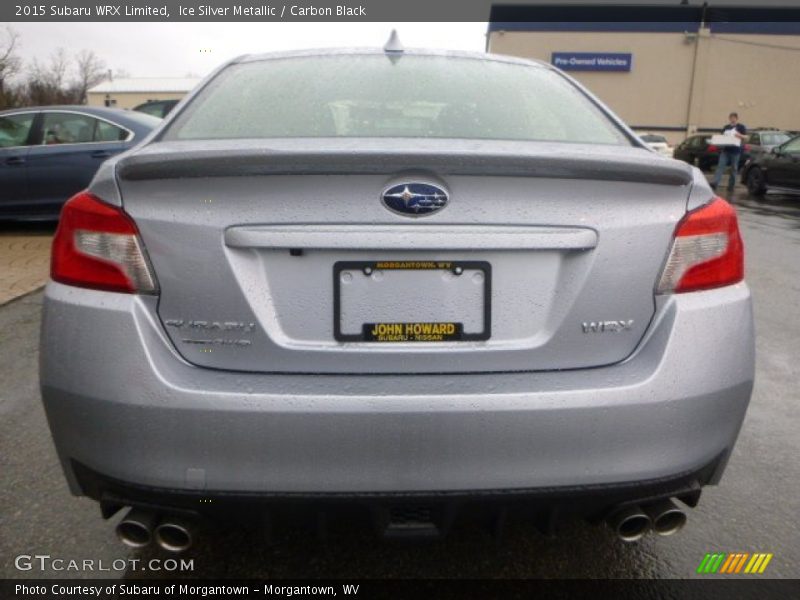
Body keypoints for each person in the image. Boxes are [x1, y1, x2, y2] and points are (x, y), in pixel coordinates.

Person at [711, 112, 747, 190]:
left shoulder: (741, 127)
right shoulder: (726, 127)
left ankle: (731, 186)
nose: (732, 119)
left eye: (734, 118)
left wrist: (739, 135)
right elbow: (722, 137)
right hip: (725, 150)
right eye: (731, 118)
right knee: (720, 167)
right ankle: (715, 183)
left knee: (734, 169)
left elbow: (746, 137)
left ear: (737, 118)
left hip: (735, 151)